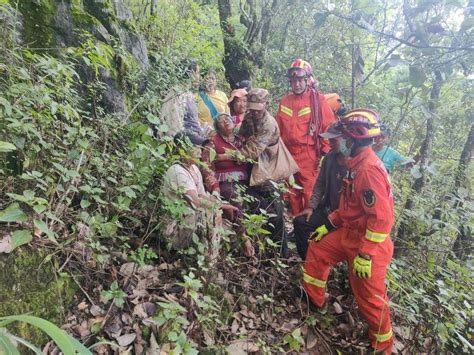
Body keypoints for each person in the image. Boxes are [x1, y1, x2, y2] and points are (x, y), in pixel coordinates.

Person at [301, 109, 395, 354]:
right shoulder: (355, 165)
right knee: (318, 247)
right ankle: (314, 300)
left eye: (341, 136)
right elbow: (350, 208)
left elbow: (382, 219)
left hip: (368, 245)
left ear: (353, 139)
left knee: (370, 300)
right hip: (349, 233)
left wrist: (365, 254)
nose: (337, 141)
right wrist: (329, 224)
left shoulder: (368, 170)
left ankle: (383, 347)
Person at [160, 134, 238, 264]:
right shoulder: (177, 171)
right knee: (212, 216)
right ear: (183, 149)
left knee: (227, 225)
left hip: (191, 220)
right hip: (175, 227)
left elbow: (202, 195)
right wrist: (221, 206)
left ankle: (216, 259)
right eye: (195, 148)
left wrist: (222, 203)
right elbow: (195, 202)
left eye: (200, 148)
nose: (200, 151)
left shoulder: (194, 168)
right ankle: (208, 266)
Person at [276, 59, 337, 215]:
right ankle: (298, 224)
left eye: (300, 81)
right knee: (291, 191)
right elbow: (278, 127)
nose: (297, 84)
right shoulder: (285, 101)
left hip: (308, 154)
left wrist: (325, 151)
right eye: (293, 81)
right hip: (288, 153)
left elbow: (329, 126)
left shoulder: (318, 100)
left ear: (307, 80)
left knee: (309, 190)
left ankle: (308, 227)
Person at [238, 88, 288, 256]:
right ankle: (261, 248)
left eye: (258, 109)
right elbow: (240, 136)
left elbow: (253, 150)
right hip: (253, 167)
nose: (255, 112)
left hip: (269, 168)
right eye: (252, 108)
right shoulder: (249, 117)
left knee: (275, 209)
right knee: (254, 205)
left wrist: (233, 154)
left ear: (266, 105)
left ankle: (281, 253)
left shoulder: (269, 123)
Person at [201, 113, 254, 257]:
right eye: (221, 121)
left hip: (247, 181)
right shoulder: (212, 142)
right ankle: (244, 238)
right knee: (235, 198)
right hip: (226, 182)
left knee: (261, 201)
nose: (226, 121)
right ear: (218, 128)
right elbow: (206, 167)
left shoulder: (241, 140)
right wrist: (215, 188)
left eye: (228, 119)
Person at [293, 123, 347, 260]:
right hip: (327, 210)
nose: (330, 143)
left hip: (344, 218)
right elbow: (320, 184)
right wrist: (311, 206)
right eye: (329, 140)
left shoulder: (353, 164)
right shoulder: (329, 158)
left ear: (345, 139)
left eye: (334, 140)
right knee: (300, 222)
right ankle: (306, 260)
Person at [158, 60, 205, 143]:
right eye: (197, 73)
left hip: (196, 136)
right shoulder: (175, 94)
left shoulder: (188, 94)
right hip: (185, 140)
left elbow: (193, 121)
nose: (199, 77)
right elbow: (173, 124)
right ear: (191, 74)